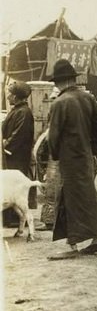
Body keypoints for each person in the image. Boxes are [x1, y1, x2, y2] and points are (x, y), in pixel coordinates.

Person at [46, 59, 97, 260]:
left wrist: (55, 155)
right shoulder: (87, 98)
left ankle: (72, 245)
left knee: (67, 198)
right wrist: (93, 148)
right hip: (85, 156)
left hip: (69, 158)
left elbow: (53, 136)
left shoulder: (59, 103)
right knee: (88, 196)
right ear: (72, 79)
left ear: (59, 82)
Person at [2, 81, 36, 226]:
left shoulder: (24, 113)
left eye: (10, 93)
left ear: (15, 97)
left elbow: (19, 135)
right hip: (11, 154)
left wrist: (6, 144)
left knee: (15, 187)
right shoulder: (17, 110)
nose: (8, 96)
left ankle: (17, 219)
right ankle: (11, 217)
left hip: (17, 156)